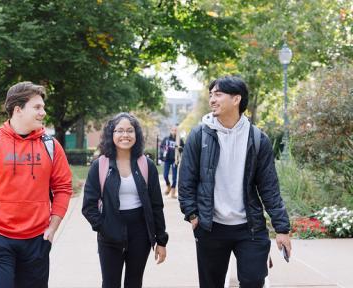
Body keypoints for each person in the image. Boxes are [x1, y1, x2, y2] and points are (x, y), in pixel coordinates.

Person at [178, 76, 291, 288]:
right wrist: (193, 215)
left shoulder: (258, 139)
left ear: (236, 99)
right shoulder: (199, 136)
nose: (212, 99)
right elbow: (186, 180)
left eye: (218, 94)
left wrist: (282, 228)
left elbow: (269, 188)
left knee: (253, 280)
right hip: (211, 227)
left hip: (250, 227)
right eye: (211, 94)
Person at [0, 81, 73, 288]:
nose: (43, 112)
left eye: (43, 107)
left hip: (37, 240)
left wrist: (52, 228)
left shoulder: (51, 146)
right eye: (37, 107)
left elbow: (63, 188)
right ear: (18, 110)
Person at [82, 112, 169, 288]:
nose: (125, 135)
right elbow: (88, 206)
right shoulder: (100, 165)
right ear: (111, 134)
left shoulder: (147, 165)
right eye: (119, 130)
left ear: (136, 135)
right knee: (110, 283)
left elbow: (156, 206)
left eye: (130, 130)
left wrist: (161, 240)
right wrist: (104, 227)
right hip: (109, 234)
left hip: (140, 234)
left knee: (134, 282)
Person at [160, 126, 184, 198]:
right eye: (173, 130)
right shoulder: (166, 139)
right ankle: (168, 186)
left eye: (175, 130)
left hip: (175, 160)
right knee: (165, 175)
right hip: (167, 159)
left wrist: (180, 148)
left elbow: (183, 148)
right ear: (170, 131)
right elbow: (161, 147)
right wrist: (164, 151)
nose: (174, 131)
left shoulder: (179, 140)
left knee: (174, 176)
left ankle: (173, 192)